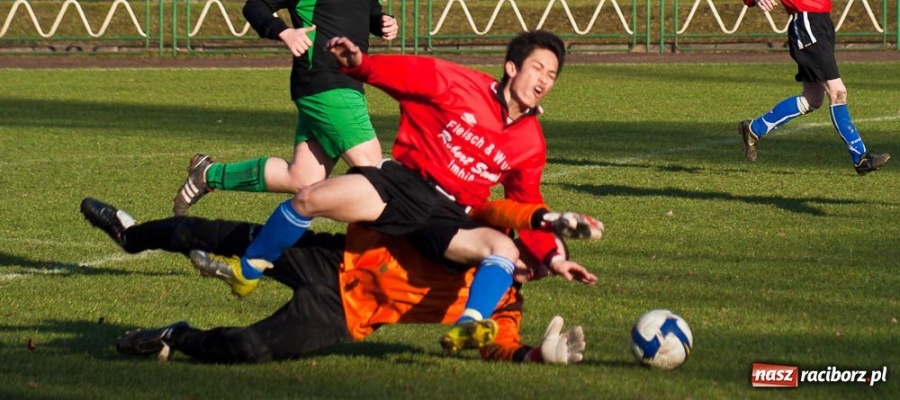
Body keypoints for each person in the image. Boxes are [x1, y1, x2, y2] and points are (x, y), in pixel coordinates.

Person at [196, 30, 602, 355]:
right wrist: (362, 65)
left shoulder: (531, 142)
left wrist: (553, 257)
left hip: (450, 215)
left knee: (504, 249)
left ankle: (470, 324)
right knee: (308, 198)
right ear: (512, 68)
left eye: (552, 75)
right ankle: (248, 272)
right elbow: (408, 74)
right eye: (538, 68)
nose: (545, 80)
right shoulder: (460, 84)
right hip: (403, 185)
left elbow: (527, 203)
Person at [80, 197, 590, 365]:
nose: (536, 268)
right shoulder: (482, 231)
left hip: (345, 315)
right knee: (223, 234)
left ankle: (175, 336)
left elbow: (497, 344)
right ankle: (133, 235)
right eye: (538, 256)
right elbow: (494, 206)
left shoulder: (506, 301)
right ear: (519, 239)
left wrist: (534, 356)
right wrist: (546, 217)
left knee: (248, 349)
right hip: (334, 258)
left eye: (545, 268)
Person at [172, 0, 399, 216]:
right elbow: (255, 6)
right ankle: (401, 251)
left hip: (346, 83)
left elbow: (369, 9)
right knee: (378, 173)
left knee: (302, 177)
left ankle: (207, 175)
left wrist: (382, 22)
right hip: (324, 82)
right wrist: (283, 31)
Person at [737, 0, 890, 175]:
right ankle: (860, 157)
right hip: (804, 22)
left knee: (813, 99)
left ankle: (754, 128)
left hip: (823, 24)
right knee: (838, 91)